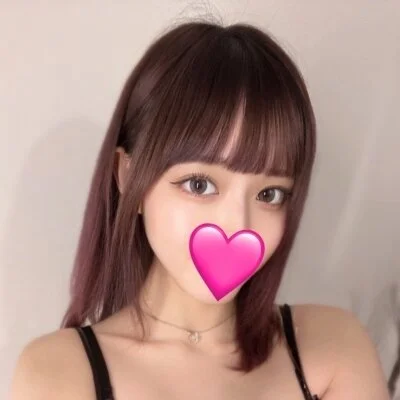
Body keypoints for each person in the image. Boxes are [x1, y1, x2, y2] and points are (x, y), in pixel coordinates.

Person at [9, 19, 390, 400]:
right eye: (199, 185)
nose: (238, 225)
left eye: (269, 194)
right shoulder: (58, 374)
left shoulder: (333, 349)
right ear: (128, 175)